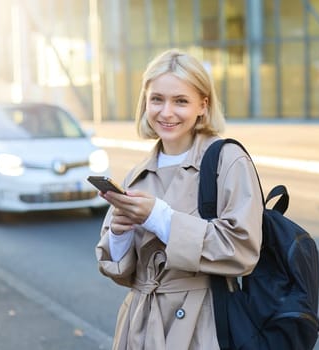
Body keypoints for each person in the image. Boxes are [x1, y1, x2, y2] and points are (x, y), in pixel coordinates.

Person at [95, 49, 264, 350]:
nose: (166, 112)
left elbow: (243, 250)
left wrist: (159, 217)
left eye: (181, 101)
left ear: (203, 104)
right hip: (140, 325)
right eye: (157, 99)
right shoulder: (137, 174)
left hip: (204, 324)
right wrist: (120, 233)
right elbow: (120, 272)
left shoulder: (228, 160)